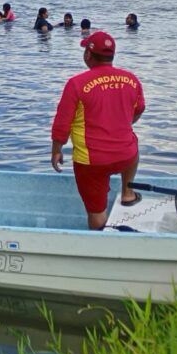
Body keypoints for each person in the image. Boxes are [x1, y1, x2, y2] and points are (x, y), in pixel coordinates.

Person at [51, 32, 145, 229]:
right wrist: (122, 123)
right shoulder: (131, 79)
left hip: (91, 163)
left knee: (96, 212)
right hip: (125, 157)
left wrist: (56, 150)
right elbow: (139, 110)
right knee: (132, 141)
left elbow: (62, 123)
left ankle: (100, 236)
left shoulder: (76, 84)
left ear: (88, 54)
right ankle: (128, 193)